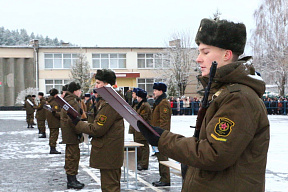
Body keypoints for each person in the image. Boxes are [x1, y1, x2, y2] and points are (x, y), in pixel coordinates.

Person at [137, 18, 270, 191]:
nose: (198, 59)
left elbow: (214, 154)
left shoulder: (239, 98)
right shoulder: (224, 93)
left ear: (226, 55)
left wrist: (163, 139)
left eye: (205, 52)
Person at [68, 69, 124, 192]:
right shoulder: (107, 101)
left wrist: (78, 123)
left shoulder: (111, 103)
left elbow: (97, 129)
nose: (96, 86)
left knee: (110, 187)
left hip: (108, 152)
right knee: (109, 186)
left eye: (98, 83)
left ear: (107, 84)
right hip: (108, 151)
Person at [60, 82, 85, 189]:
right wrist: (79, 132)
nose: (80, 92)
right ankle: (71, 180)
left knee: (70, 156)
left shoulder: (67, 100)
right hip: (72, 133)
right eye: (79, 90)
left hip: (68, 133)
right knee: (73, 157)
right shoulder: (73, 102)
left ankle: (72, 179)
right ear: (75, 91)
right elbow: (73, 120)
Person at [151, 82, 172, 187]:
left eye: (155, 90)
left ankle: (165, 179)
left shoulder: (163, 103)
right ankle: (162, 177)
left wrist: (162, 135)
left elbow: (164, 121)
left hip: (161, 135)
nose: (154, 92)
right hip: (156, 134)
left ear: (161, 91)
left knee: (163, 157)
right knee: (160, 157)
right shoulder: (158, 102)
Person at [134, 88, 152, 171]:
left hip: (143, 129)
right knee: (139, 147)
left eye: (137, 96)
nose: (136, 98)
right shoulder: (140, 105)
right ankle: (139, 162)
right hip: (138, 129)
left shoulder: (145, 105)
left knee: (144, 147)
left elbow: (142, 117)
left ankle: (144, 164)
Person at [46, 88, 61, 154]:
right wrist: (61, 114)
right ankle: (53, 148)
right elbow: (55, 112)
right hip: (54, 121)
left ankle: (52, 147)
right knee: (54, 135)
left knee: (52, 134)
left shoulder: (49, 101)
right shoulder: (55, 102)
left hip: (50, 121)